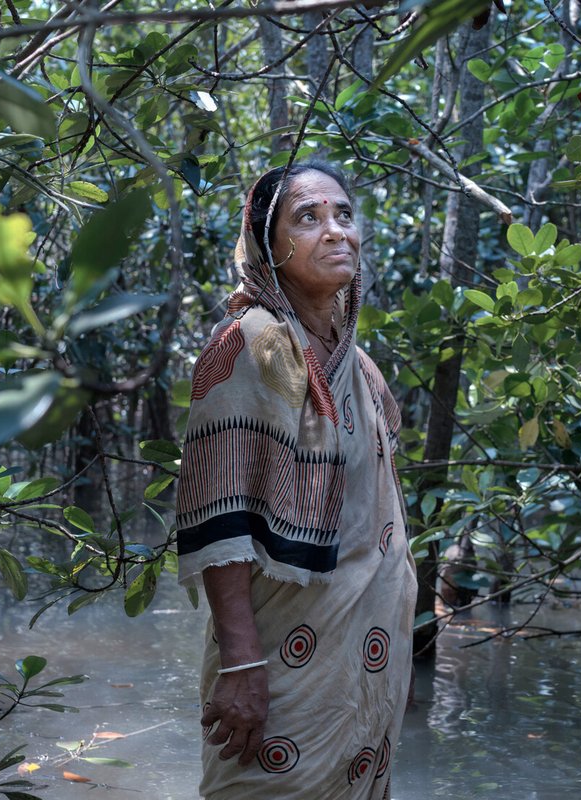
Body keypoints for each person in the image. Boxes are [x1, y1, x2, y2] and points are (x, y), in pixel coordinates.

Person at [175, 160, 415, 799]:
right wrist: (243, 665)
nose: (336, 231)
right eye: (307, 218)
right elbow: (221, 519)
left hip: (363, 660)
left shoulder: (357, 366)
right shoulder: (250, 346)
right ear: (269, 248)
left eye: (343, 215)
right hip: (284, 660)